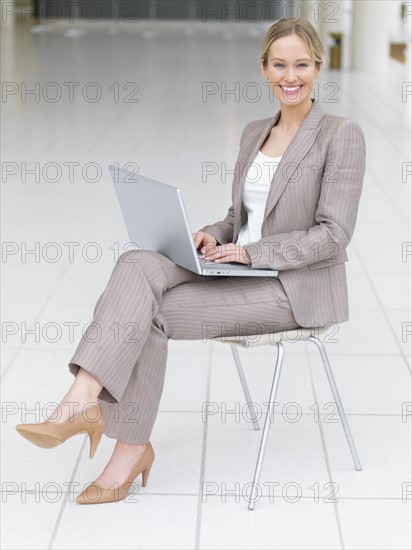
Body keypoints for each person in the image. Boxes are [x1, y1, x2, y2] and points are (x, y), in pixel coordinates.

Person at [15, 18, 366, 505]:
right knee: (138, 260)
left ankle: (123, 445)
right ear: (263, 68)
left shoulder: (340, 134)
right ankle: (82, 400)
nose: (292, 76)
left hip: (293, 288)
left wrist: (252, 252)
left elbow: (334, 234)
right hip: (239, 264)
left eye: (302, 65)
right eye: (280, 64)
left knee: (147, 313)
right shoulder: (253, 133)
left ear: (318, 68)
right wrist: (210, 235)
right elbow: (237, 217)